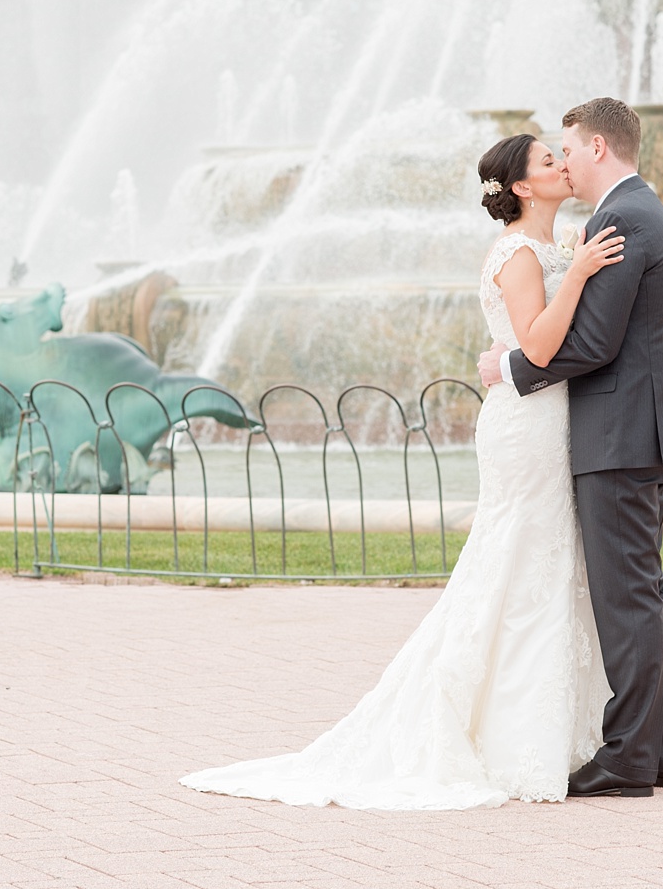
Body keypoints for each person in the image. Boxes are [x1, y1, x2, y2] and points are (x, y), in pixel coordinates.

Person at [181, 130, 625, 809]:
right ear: (523, 187)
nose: (562, 165)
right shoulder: (519, 253)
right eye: (547, 160)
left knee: (541, 562)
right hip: (528, 423)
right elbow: (536, 344)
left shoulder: (553, 247)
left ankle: (549, 730)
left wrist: (578, 265)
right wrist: (585, 274)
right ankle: (497, 732)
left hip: (543, 416)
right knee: (515, 561)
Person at [479, 97, 663, 797]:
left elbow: (595, 341)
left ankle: (630, 755)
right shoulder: (636, 211)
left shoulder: (621, 218)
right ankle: (656, 749)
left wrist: (509, 368)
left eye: (568, 148)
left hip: (619, 433)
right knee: (645, 592)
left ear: (598, 147)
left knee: (626, 596)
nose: (564, 159)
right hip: (638, 428)